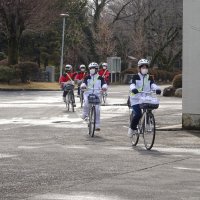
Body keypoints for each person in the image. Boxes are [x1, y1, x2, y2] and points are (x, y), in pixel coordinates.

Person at [128, 58, 161, 138]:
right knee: (138, 114)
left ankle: (148, 122)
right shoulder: (135, 77)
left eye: (146, 67)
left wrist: (157, 89)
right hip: (136, 99)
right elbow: (132, 84)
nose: (145, 69)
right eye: (143, 67)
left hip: (146, 98)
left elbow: (152, 85)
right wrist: (134, 89)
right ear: (139, 68)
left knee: (149, 109)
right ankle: (132, 128)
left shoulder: (149, 77)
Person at [80, 62, 108, 131]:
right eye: (90, 68)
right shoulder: (87, 77)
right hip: (88, 93)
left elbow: (104, 84)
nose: (91, 70)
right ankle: (85, 115)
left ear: (96, 69)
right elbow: (84, 83)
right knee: (86, 103)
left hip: (97, 94)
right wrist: (83, 86)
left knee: (97, 109)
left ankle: (97, 125)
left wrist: (104, 88)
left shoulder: (100, 78)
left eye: (93, 68)